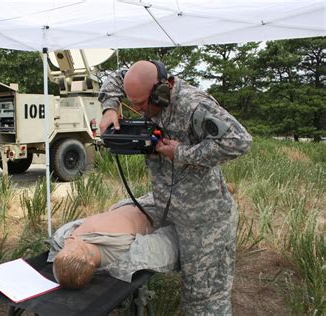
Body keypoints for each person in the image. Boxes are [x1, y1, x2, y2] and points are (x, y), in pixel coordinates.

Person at [97, 60, 252, 315]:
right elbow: (116, 76)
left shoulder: (194, 105)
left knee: (204, 301)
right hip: (169, 206)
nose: (137, 111)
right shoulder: (142, 83)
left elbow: (240, 141)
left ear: (161, 92)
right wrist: (110, 107)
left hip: (204, 219)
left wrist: (182, 152)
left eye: (140, 104)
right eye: (132, 103)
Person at [48, 198, 180, 289]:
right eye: (71, 249)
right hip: (154, 208)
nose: (68, 242)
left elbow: (61, 238)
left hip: (130, 205)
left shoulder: (74, 240)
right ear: (89, 261)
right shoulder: (119, 248)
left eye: (64, 249)